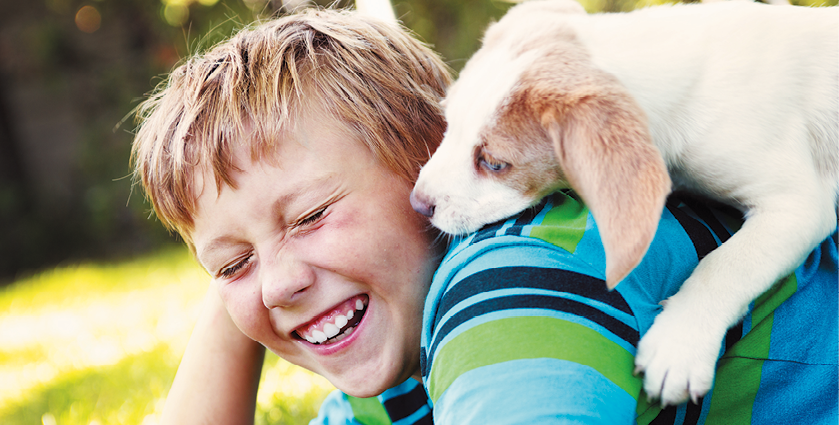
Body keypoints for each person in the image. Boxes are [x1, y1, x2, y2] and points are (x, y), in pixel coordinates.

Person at [131, 6, 839, 425]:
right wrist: (254, 268)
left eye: (311, 214)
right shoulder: (393, 370)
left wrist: (255, 254)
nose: (278, 282)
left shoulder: (508, 285)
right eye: (228, 262)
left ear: (425, 167)